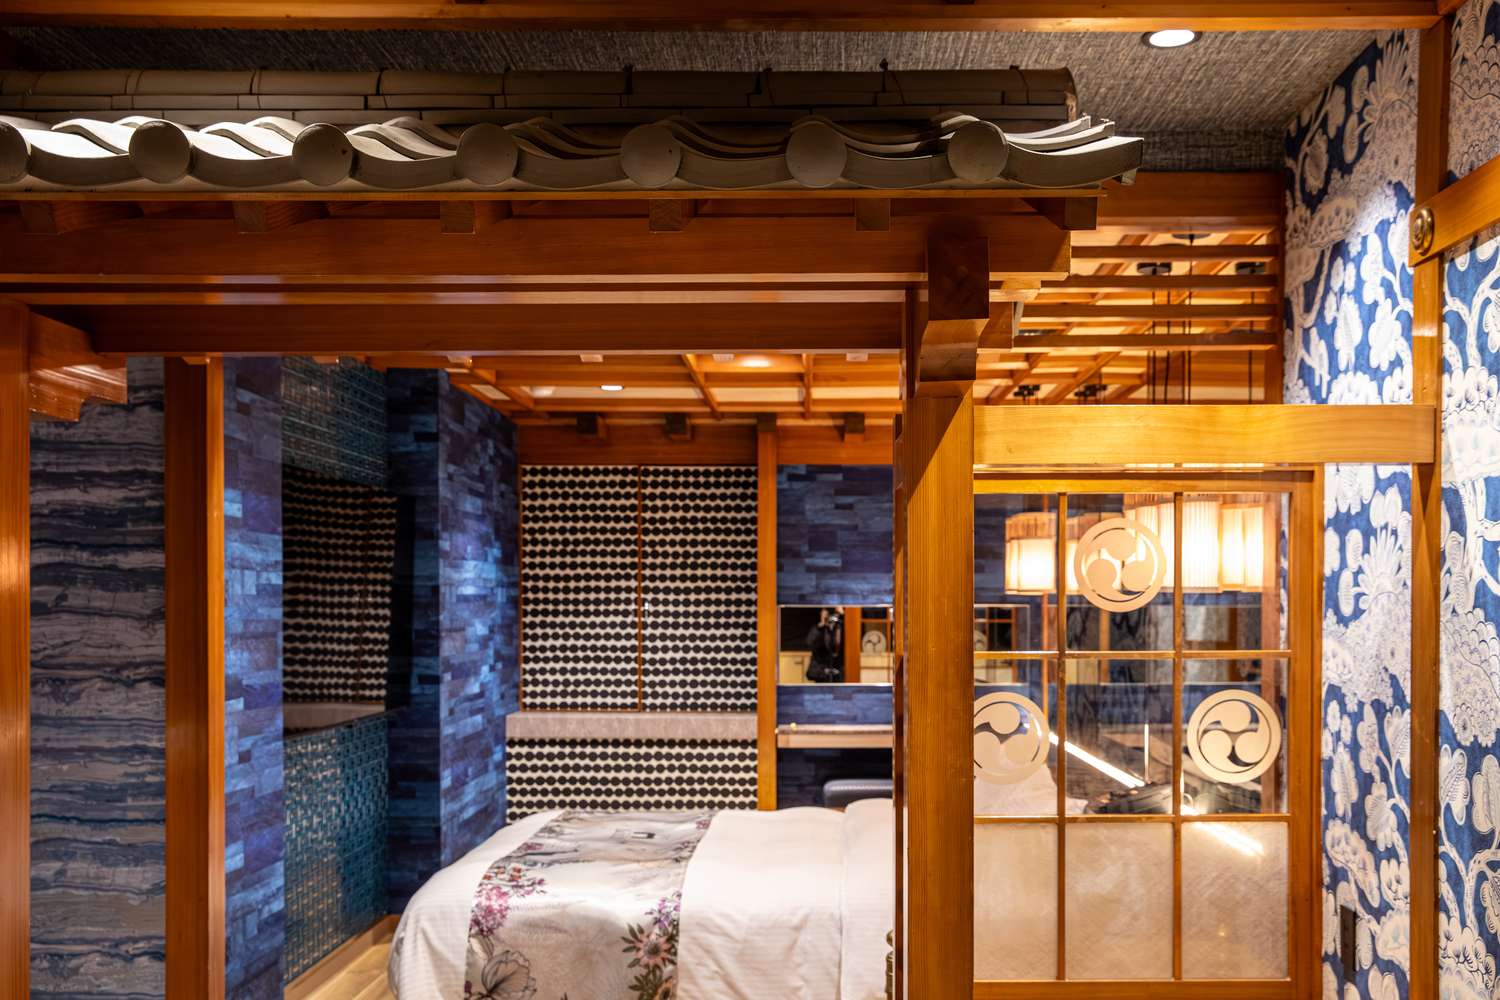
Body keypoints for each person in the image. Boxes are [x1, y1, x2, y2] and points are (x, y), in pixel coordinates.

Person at [806, 607, 844, 683]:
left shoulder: (840, 629)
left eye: (834, 613)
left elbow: (848, 642)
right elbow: (812, 646)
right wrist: (823, 626)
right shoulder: (816, 629)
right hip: (820, 672)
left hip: (839, 671)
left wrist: (842, 616)